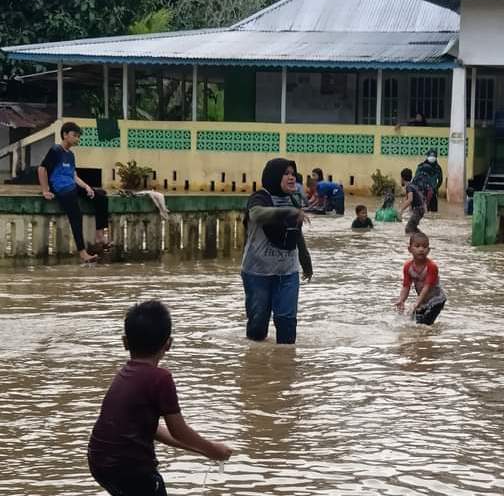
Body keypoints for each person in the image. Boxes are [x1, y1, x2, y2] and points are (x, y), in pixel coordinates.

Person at [87, 300, 232, 495]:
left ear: (125, 342)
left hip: (100, 462)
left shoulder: (124, 374)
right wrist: (214, 449)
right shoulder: (160, 378)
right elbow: (179, 430)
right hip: (131, 468)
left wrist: (204, 451)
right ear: (169, 344)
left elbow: (153, 429)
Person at [242, 158, 313, 344]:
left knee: (287, 327)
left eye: (293, 174)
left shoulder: (294, 199)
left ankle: (285, 369)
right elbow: (257, 215)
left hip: (288, 272)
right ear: (274, 176)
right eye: (286, 173)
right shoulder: (260, 198)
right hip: (258, 272)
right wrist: (288, 212)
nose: (291, 178)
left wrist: (306, 262)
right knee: (257, 329)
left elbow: (296, 233)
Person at [38, 121, 111, 263]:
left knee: (101, 196)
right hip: (60, 187)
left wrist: (87, 187)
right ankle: (83, 253)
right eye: (75, 135)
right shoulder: (55, 150)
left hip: (71, 184)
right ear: (65, 135)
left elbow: (74, 175)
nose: (77, 139)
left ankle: (99, 235)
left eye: (78, 136)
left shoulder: (70, 155)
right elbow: (42, 169)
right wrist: (45, 190)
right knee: (76, 214)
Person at [394, 232, 447, 325]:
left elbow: (427, 287)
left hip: (437, 300)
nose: (421, 249)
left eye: (425, 246)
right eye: (417, 246)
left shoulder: (431, 267)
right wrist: (401, 300)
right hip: (423, 300)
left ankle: (425, 337)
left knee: (424, 324)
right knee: (414, 321)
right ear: (409, 249)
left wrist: (416, 303)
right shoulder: (408, 267)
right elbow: (406, 286)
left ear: (429, 250)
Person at [399, 168, 425, 234]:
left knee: (408, 229)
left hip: (418, 210)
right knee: (413, 228)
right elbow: (415, 199)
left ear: (402, 178)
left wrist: (401, 210)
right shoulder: (413, 185)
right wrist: (409, 210)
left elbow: (410, 199)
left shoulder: (409, 187)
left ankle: (420, 239)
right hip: (421, 209)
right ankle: (422, 236)